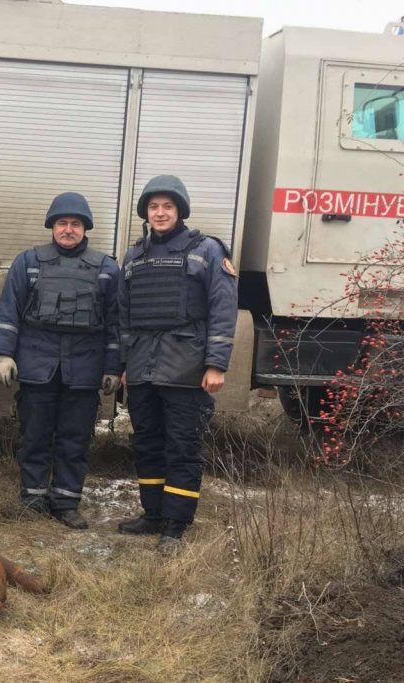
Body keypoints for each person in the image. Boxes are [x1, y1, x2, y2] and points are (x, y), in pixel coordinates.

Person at [116, 175, 237, 553]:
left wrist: (215, 364)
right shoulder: (134, 256)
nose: (160, 212)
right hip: (141, 368)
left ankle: (176, 523)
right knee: (147, 444)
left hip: (186, 369)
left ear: (180, 210)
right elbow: (124, 315)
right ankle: (152, 514)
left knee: (182, 446)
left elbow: (222, 308)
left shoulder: (208, 250)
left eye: (168, 206)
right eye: (154, 207)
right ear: (146, 213)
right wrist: (123, 364)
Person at [0, 192, 121, 529]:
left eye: (75, 224)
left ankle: (65, 502)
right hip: (38, 366)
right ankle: (31, 498)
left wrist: (112, 367)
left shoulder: (106, 269)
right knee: (34, 434)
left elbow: (116, 323)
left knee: (75, 438)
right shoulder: (27, 262)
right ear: (52, 227)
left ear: (85, 229)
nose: (68, 229)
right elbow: (9, 312)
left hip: (84, 369)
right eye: (62, 223)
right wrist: (4, 354)